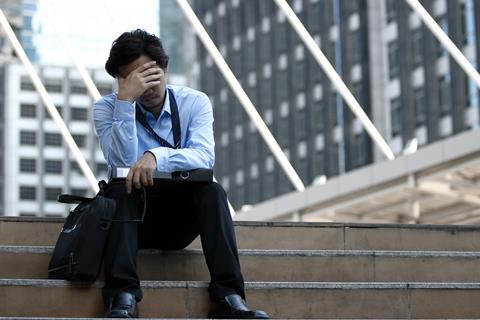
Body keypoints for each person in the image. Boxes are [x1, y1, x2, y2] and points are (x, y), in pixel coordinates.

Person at [93, 29, 269, 319]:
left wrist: (155, 156)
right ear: (121, 80)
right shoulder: (107, 108)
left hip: (180, 222)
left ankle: (229, 296)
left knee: (212, 191)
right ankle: (122, 297)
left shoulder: (194, 102)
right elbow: (121, 164)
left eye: (150, 73)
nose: (146, 85)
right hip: (131, 222)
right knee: (118, 188)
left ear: (165, 68)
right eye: (134, 78)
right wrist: (125, 103)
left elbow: (204, 157)